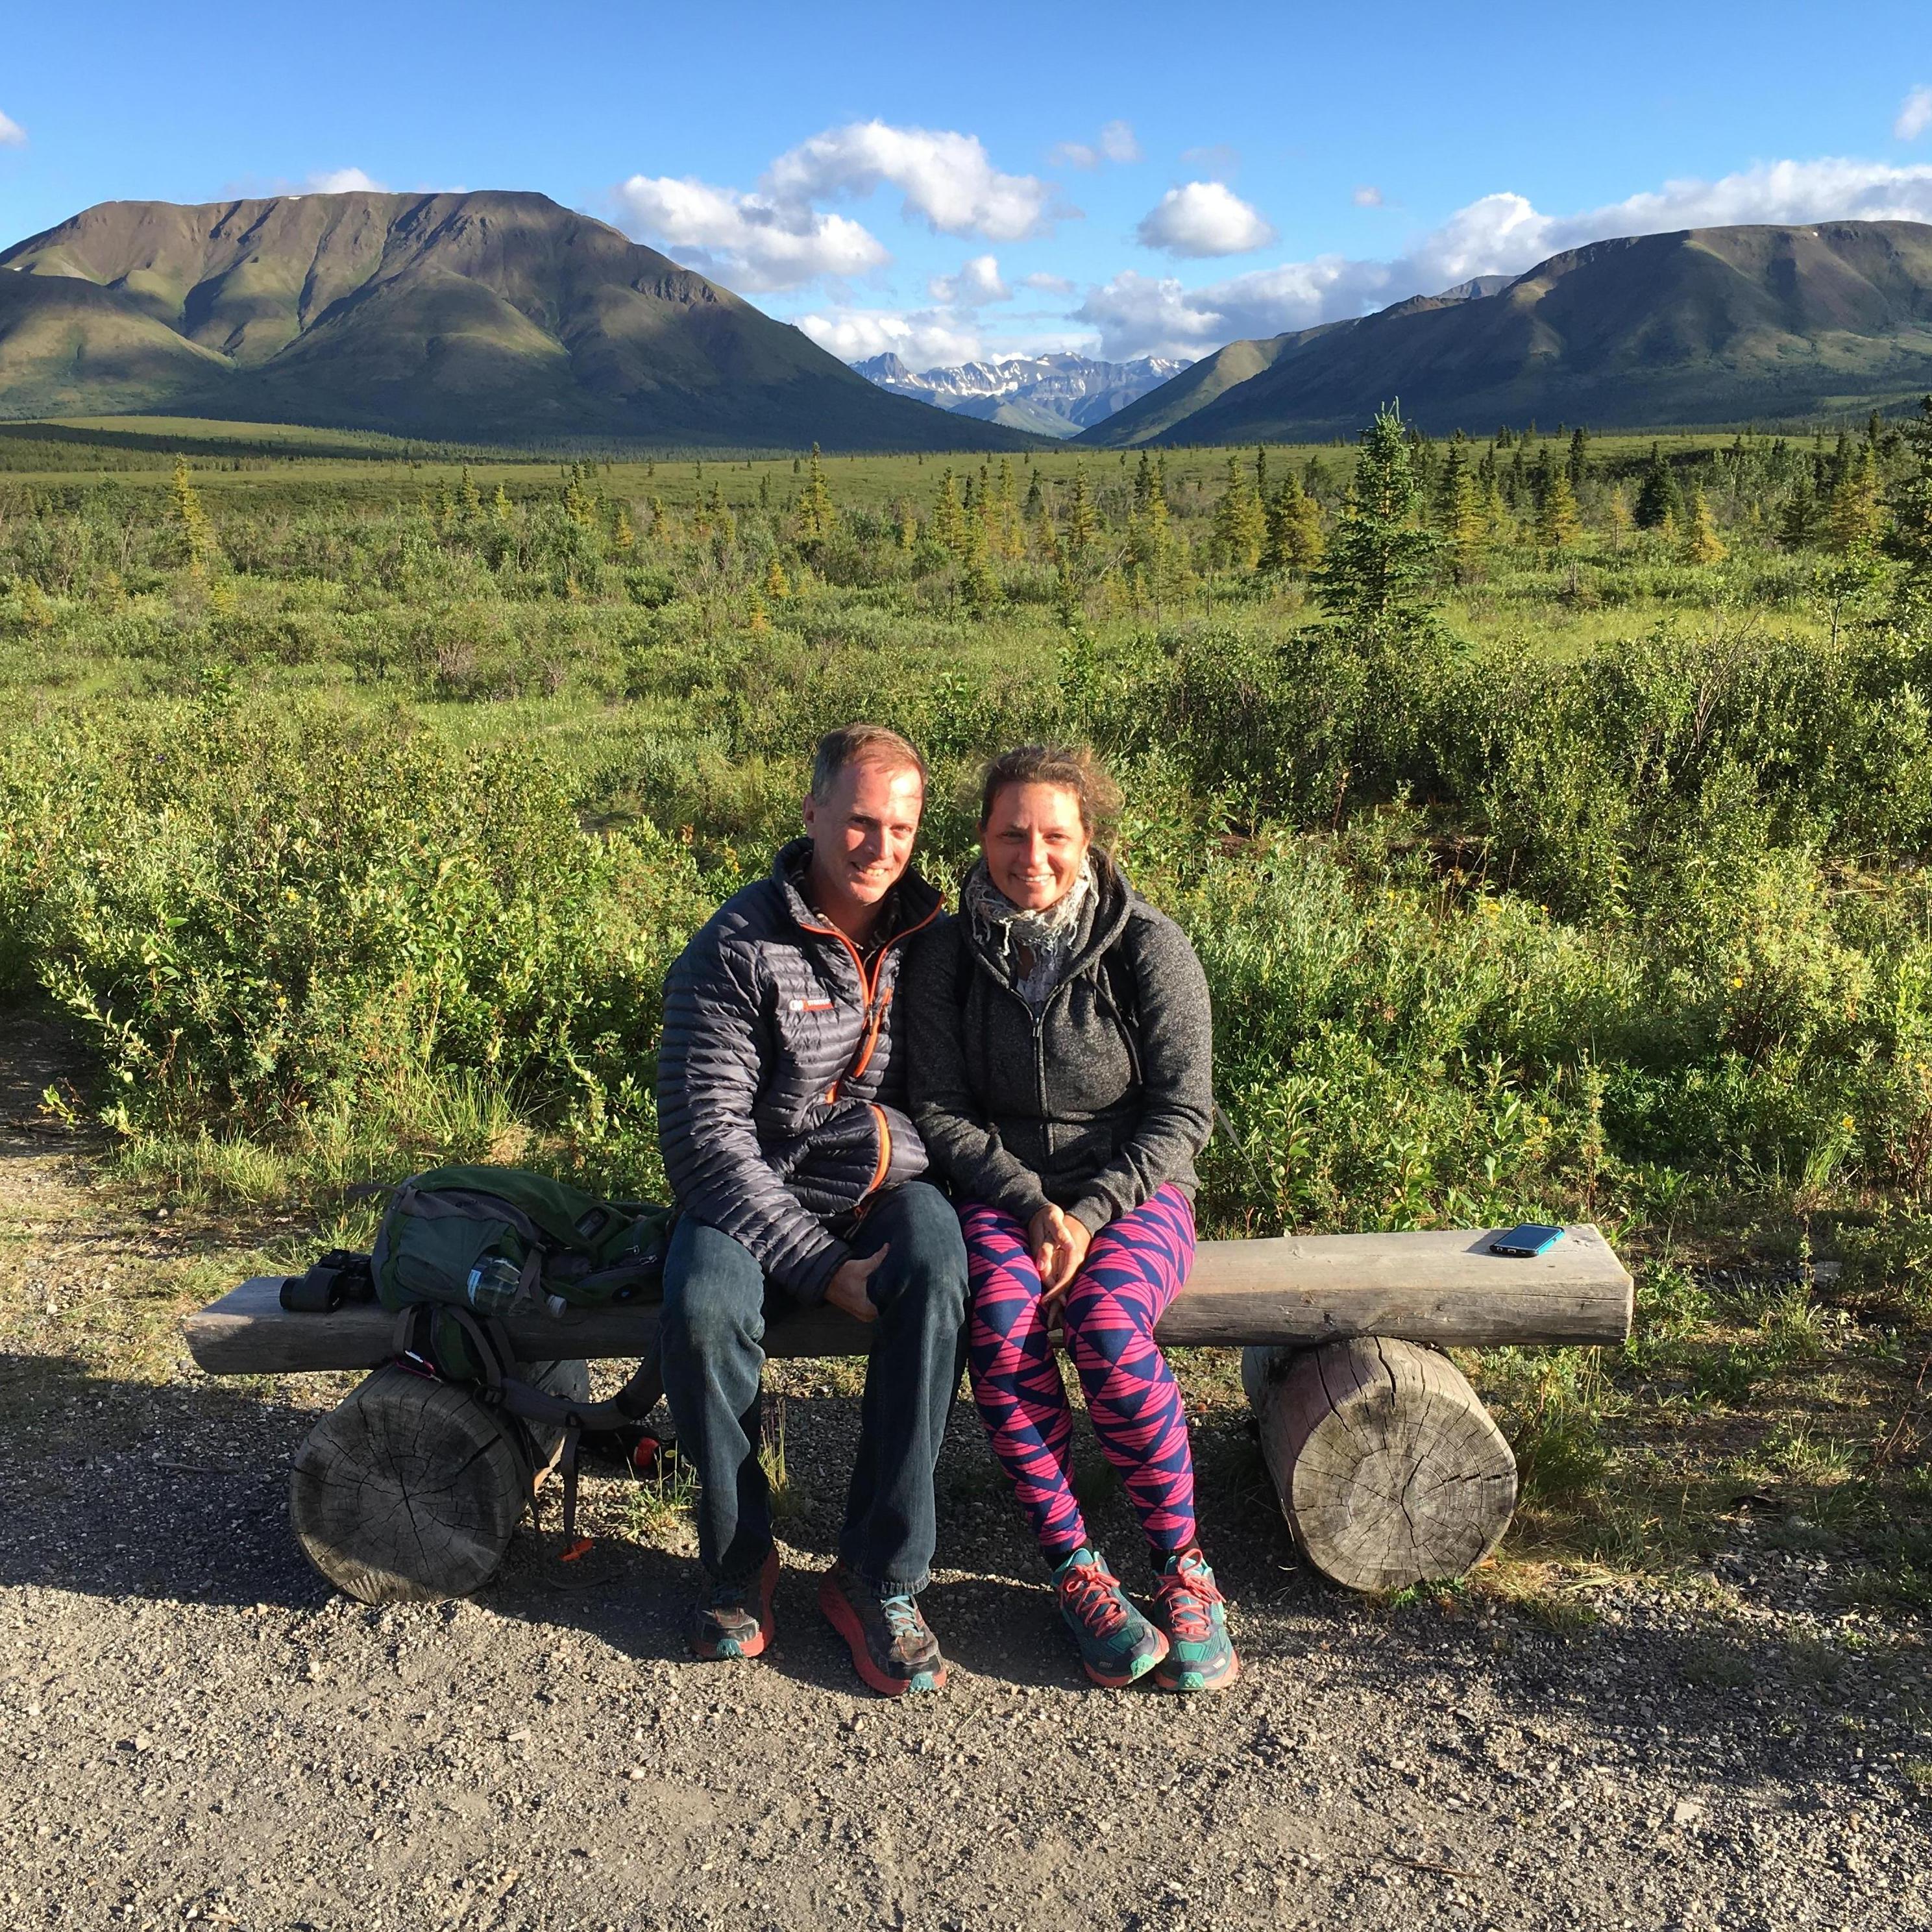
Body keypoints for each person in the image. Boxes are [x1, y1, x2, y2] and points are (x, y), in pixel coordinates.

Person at [904, 744, 1236, 1693]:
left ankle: (1182, 1565)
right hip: (1002, 1191)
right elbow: (938, 1108)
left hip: (1134, 1190)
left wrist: (1086, 1214)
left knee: (1105, 1324)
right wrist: (1030, 1203)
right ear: (982, 836)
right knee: (1001, 1330)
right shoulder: (945, 954)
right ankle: (1075, 1567)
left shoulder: (1147, 946)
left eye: (1054, 834)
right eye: (1012, 834)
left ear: (1088, 837)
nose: (1032, 856)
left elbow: (1184, 1113)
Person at [655, 724, 968, 1698]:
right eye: (861, 822)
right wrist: (819, 1267)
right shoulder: (738, 944)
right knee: (703, 1308)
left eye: (902, 828)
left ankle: (880, 1574)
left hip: (882, 1186)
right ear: (813, 813)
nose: (881, 847)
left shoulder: (934, 942)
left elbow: (961, 1099)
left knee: (939, 1263)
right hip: (750, 1189)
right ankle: (738, 1559)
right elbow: (706, 1138)